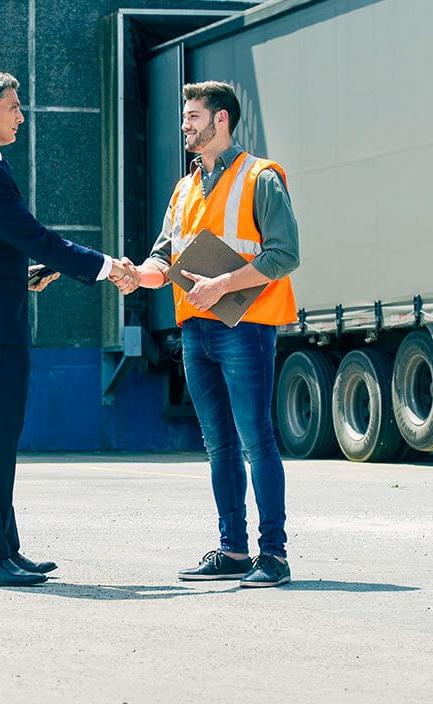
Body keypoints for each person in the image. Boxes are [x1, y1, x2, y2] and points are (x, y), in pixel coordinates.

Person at [0, 67, 134, 587]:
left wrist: (19, 276)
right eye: (14, 106)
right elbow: (36, 237)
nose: (23, 115)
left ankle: (4, 547)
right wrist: (108, 268)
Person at [122, 81, 299, 588]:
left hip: (246, 327)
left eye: (194, 116)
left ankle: (274, 555)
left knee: (256, 441)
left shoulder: (261, 178)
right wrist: (137, 274)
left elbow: (285, 254)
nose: (186, 125)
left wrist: (224, 282)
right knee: (219, 446)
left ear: (221, 120)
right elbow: (165, 258)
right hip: (195, 330)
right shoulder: (183, 189)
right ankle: (233, 550)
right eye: (185, 117)